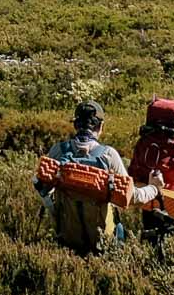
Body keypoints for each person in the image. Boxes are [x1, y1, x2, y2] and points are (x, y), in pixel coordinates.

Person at [36, 100, 162, 253]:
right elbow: (132, 197)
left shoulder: (58, 151)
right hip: (103, 245)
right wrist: (154, 187)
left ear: (76, 125)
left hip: (67, 241)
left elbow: (42, 187)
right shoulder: (109, 155)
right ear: (100, 127)